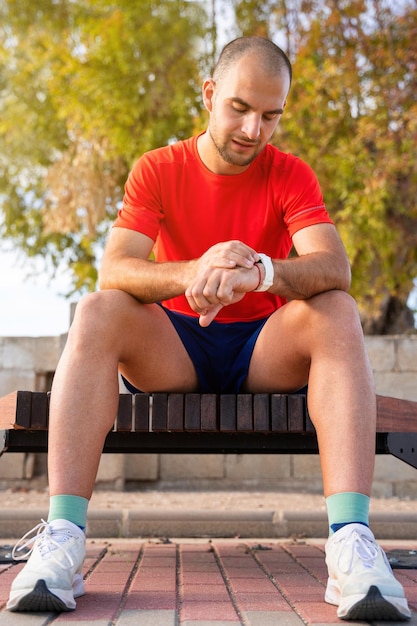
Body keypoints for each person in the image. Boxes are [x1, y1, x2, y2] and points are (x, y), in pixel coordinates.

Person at [7, 36, 410, 621]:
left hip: (261, 352)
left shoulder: (291, 175)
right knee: (97, 310)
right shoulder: (157, 169)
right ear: (210, 94)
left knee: (337, 308)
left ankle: (350, 542)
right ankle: (62, 540)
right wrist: (194, 271)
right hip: (175, 347)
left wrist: (260, 271)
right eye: (241, 108)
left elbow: (333, 267)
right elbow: (116, 267)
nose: (254, 129)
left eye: (271, 115)